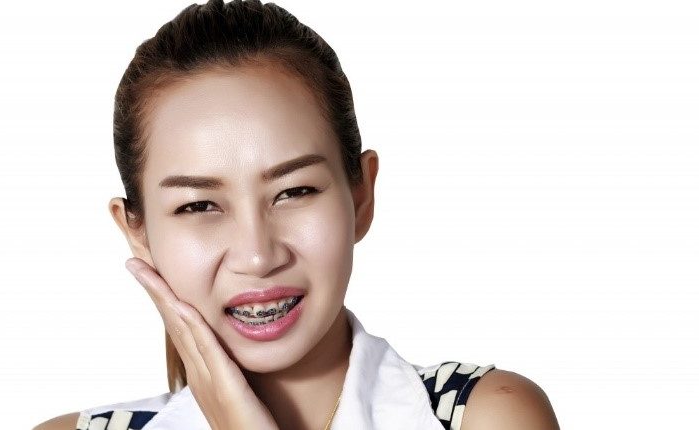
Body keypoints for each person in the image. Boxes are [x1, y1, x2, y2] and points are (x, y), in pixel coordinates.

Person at [34, 0, 559, 429]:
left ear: (361, 195)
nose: (258, 255)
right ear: (138, 233)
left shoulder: (486, 416)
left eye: (294, 191)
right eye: (199, 205)